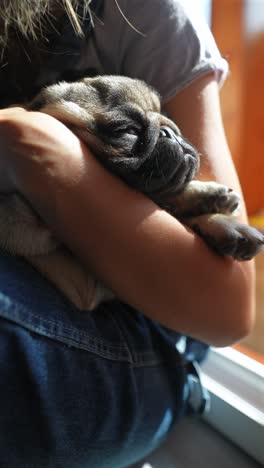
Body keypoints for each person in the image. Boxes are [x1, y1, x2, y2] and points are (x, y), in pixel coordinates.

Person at [0, 1, 255, 467]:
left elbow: (231, 310)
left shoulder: (139, 15)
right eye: (129, 129)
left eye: (169, 130)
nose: (171, 143)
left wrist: (38, 148)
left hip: (143, 339)